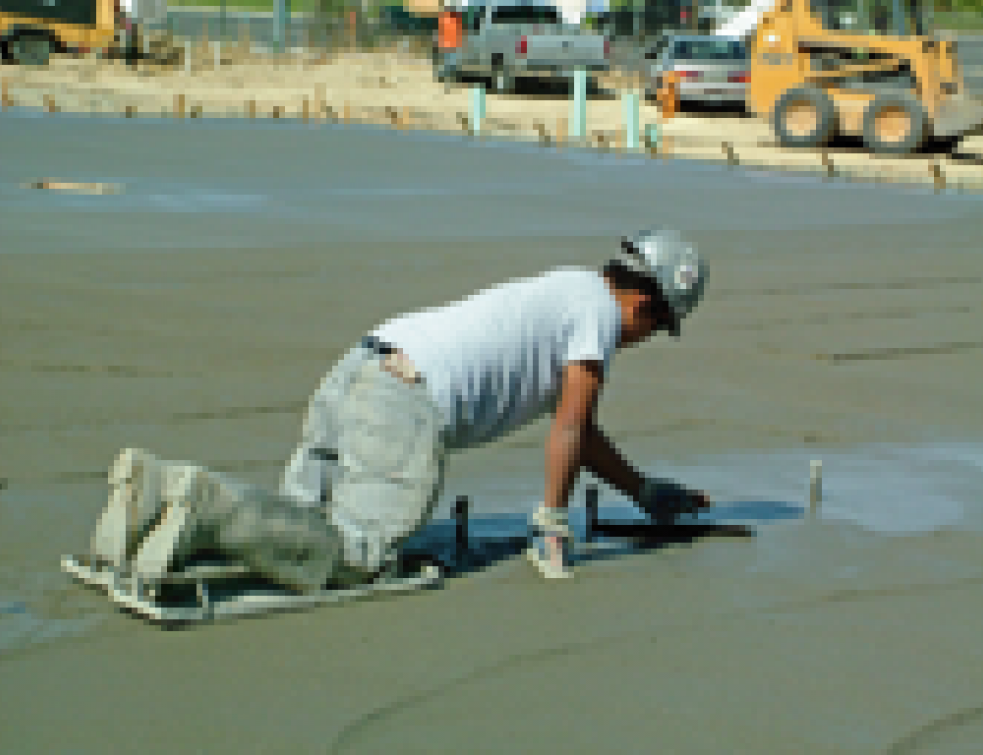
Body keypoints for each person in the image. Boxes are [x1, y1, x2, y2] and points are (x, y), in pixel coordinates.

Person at [90, 229, 710, 589]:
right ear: (644, 307)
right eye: (655, 329)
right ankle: (197, 500)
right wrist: (551, 521)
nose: (641, 339)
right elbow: (571, 424)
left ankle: (156, 494)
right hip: (409, 398)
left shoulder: (567, 292)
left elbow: (582, 434)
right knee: (359, 555)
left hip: (367, 360)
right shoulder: (599, 317)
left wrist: (641, 489)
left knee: (301, 525)